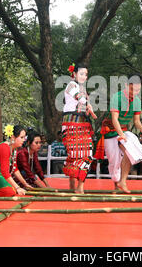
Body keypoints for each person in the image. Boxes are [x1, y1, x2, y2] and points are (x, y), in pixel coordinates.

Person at [95, 74, 142, 193]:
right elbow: (114, 119)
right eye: (132, 89)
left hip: (123, 130)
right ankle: (116, 184)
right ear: (126, 86)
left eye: (137, 90)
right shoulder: (116, 97)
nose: (134, 92)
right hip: (110, 130)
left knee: (130, 148)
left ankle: (123, 181)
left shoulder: (137, 101)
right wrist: (121, 134)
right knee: (114, 160)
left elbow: (136, 121)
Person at [61, 63, 97, 194]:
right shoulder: (71, 85)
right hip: (71, 125)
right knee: (76, 154)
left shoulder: (82, 89)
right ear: (74, 74)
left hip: (81, 124)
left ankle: (77, 185)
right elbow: (79, 98)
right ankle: (77, 186)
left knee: (86, 154)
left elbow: (84, 101)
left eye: (86, 74)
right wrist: (89, 105)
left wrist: (89, 108)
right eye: (81, 74)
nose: (84, 76)